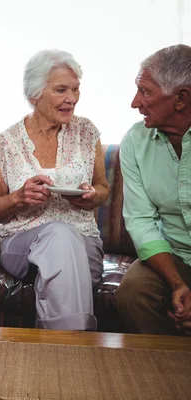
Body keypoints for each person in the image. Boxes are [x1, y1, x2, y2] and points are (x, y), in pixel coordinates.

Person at [0, 50, 109, 331]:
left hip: (85, 242)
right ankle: (76, 345)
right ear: (34, 95)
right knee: (59, 235)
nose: (71, 98)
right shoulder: (7, 143)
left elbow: (103, 188)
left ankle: (53, 348)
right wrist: (18, 197)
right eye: (61, 90)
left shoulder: (87, 132)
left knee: (66, 244)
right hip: (22, 246)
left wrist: (91, 196)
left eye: (75, 89)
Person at [116, 44, 191, 336]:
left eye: (145, 91)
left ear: (181, 98)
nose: (135, 103)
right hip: (175, 255)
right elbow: (141, 221)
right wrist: (177, 283)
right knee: (132, 293)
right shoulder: (135, 142)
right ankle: (161, 376)